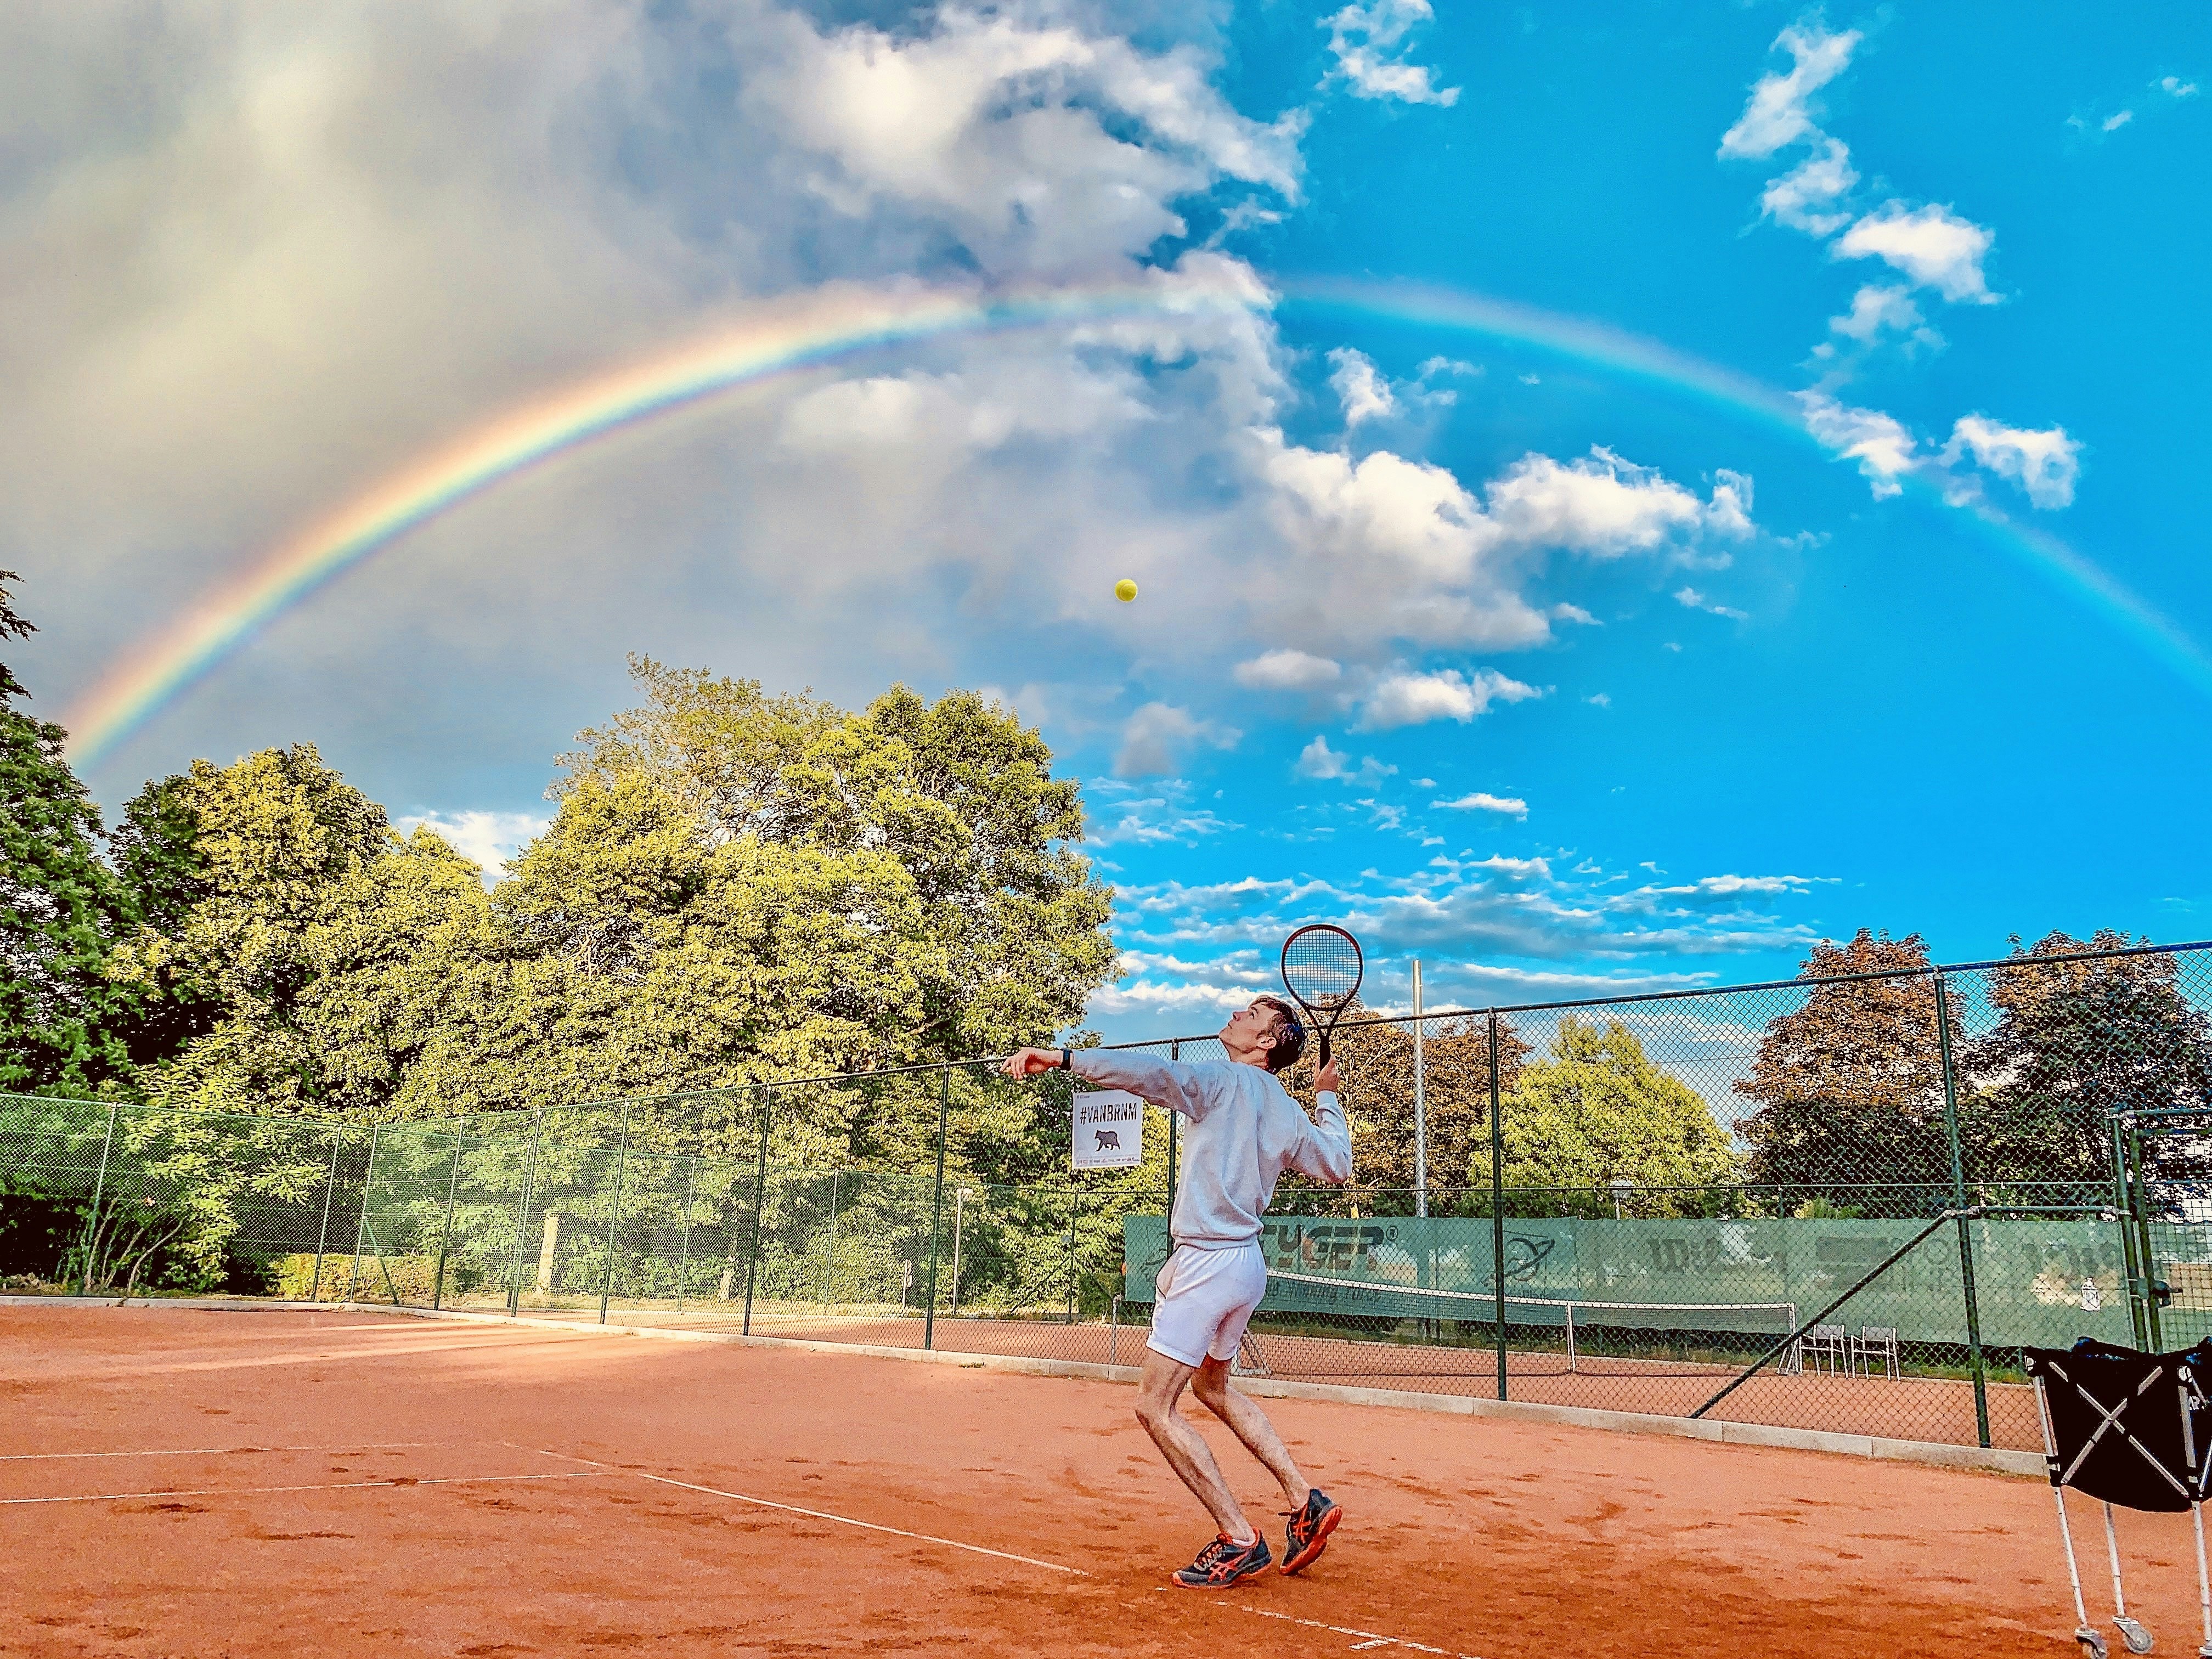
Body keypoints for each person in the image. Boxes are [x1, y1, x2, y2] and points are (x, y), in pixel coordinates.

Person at [1001, 996, 1352, 1587]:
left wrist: (1064, 1058)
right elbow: (1337, 1164)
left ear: (1267, 1042)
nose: (1236, 1015)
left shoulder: (1219, 1082)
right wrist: (1327, 1097)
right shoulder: (1290, 1110)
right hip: (1245, 1267)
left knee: (1153, 1406)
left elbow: (1150, 1073)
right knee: (1211, 1387)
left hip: (1206, 1266)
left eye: (1250, 1015)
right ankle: (1304, 1499)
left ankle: (1239, 1538)